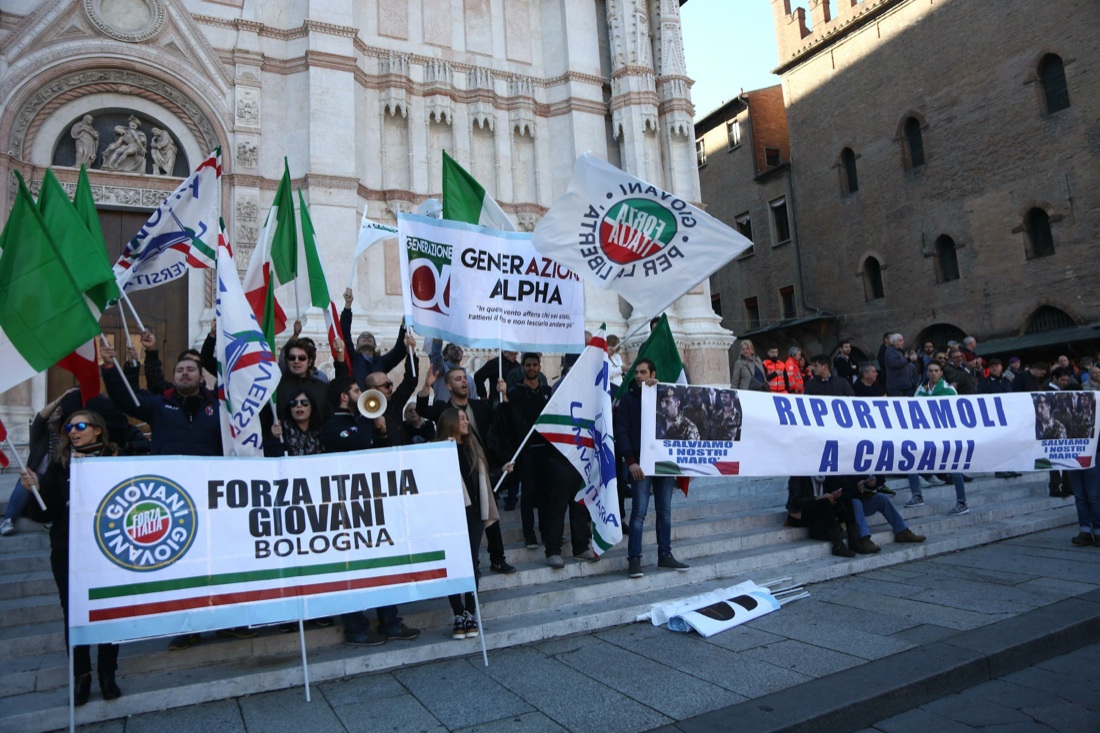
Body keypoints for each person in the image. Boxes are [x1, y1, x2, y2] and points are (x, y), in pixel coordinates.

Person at [20, 410, 122, 705]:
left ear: (98, 430)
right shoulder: (60, 465)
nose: (73, 432)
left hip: (107, 550)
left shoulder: (117, 461)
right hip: (68, 549)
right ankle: (82, 675)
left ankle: (107, 673)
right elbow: (46, 513)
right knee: (74, 612)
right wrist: (34, 491)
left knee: (109, 610)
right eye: (69, 427)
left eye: (80, 426)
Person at [321, 376, 420, 645]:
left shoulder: (361, 421)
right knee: (351, 569)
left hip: (372, 505)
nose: (362, 393)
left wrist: (383, 433)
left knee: (382, 564)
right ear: (344, 396)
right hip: (347, 509)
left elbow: (382, 454)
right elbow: (360, 442)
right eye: (356, 391)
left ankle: (391, 621)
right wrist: (368, 420)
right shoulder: (333, 426)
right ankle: (356, 628)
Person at [492, 353, 591, 567]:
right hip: (529, 451)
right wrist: (505, 396)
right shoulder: (517, 391)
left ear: (539, 366)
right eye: (528, 365)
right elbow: (509, 417)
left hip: (557, 451)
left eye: (535, 365)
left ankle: (572, 543)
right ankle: (533, 536)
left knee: (557, 499)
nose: (532, 368)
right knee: (530, 493)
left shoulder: (548, 390)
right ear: (523, 367)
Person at [417, 366, 517, 574]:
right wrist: (426, 386)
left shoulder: (480, 406)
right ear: (448, 386)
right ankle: (472, 563)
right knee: (468, 521)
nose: (464, 381)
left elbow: (501, 419)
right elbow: (422, 410)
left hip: (482, 466)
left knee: (490, 514)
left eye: (465, 378)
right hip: (460, 473)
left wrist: (505, 395)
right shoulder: (444, 410)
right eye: (458, 379)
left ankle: (498, 558)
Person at [435, 409, 514, 639]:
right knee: (454, 565)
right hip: (450, 515)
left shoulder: (473, 448)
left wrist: (501, 471)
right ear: (450, 422)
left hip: (474, 514)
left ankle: (470, 612)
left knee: (471, 563)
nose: (467, 421)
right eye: (462, 418)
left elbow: (482, 480)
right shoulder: (438, 451)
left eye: (466, 418)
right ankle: (458, 613)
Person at [616, 359, 689, 578]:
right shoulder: (627, 399)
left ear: (653, 374)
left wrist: (658, 390)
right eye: (636, 373)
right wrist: (631, 461)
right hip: (640, 464)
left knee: (664, 511)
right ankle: (634, 559)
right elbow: (622, 431)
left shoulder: (662, 397)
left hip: (664, 463)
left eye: (643, 373)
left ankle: (665, 555)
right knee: (638, 513)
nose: (638, 376)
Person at [904, 362, 969, 515]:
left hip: (944, 434)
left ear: (941, 373)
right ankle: (917, 495)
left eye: (936, 370)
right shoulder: (921, 390)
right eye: (930, 371)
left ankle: (962, 502)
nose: (933, 373)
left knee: (954, 467)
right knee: (911, 461)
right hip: (925, 433)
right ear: (927, 373)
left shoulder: (949, 390)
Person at [825, 475, 926, 554]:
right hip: (844, 508)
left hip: (861, 501)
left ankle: (902, 531)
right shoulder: (833, 471)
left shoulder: (854, 466)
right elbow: (839, 495)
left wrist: (871, 483)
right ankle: (864, 538)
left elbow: (873, 482)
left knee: (882, 499)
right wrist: (857, 489)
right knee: (855, 502)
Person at [340, 288, 408, 389]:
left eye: (370, 337)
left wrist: (404, 326)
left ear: (375, 345)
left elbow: (399, 351)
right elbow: (344, 334)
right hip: (359, 398)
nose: (366, 337)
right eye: (362, 337)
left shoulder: (382, 362)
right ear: (357, 346)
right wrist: (347, 306)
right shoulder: (353, 358)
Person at [785, 476, 854, 557]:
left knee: (845, 500)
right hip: (798, 514)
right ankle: (838, 546)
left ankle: (854, 541)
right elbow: (795, 501)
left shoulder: (823, 476)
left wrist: (832, 495)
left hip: (817, 508)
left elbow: (825, 495)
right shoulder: (798, 475)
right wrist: (818, 498)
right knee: (824, 503)